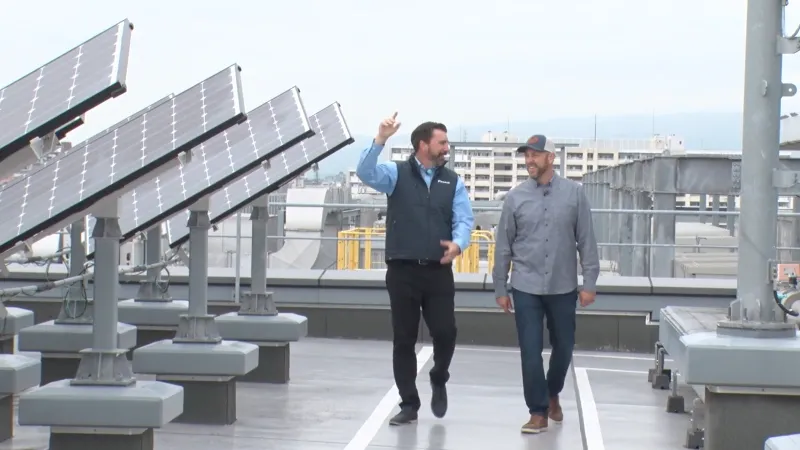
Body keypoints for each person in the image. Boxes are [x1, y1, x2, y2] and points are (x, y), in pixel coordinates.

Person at [356, 112, 475, 426]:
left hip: (438, 271)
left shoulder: (452, 181)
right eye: (442, 142)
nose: (447, 147)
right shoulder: (396, 174)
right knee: (404, 339)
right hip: (402, 271)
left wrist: (459, 243)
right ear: (423, 145)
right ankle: (409, 403)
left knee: (446, 332)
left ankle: (439, 376)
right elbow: (365, 172)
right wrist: (380, 139)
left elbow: (464, 219)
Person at [492, 134, 600, 434]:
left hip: (563, 286)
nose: (529, 160)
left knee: (564, 346)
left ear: (550, 158)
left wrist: (589, 282)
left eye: (535, 155)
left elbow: (586, 241)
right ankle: (537, 411)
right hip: (525, 285)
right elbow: (504, 245)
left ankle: (552, 392)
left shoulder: (575, 194)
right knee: (529, 349)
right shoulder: (515, 198)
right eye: (526, 155)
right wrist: (500, 287)